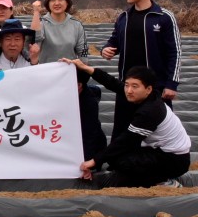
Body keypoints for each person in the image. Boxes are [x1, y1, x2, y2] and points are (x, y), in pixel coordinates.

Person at [65, 60, 190, 188]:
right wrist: (85, 68)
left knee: (122, 162)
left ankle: (163, 181)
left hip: (175, 159)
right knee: (115, 159)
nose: (129, 90)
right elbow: (113, 83)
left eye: (134, 86)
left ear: (148, 89)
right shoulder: (148, 96)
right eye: (127, 85)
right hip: (159, 150)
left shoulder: (150, 111)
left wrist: (93, 161)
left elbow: (126, 141)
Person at [100, 0, 181, 138]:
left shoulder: (164, 17)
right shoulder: (124, 17)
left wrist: (171, 84)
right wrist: (106, 49)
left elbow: (175, 52)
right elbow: (114, 41)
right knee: (123, 131)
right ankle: (118, 164)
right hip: (127, 87)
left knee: (157, 133)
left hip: (156, 88)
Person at [31, 0, 88, 64]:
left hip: (69, 70)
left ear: (67, 3)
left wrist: (84, 67)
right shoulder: (42, 23)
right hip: (46, 71)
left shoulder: (76, 25)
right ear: (48, 4)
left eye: (61, 0)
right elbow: (34, 40)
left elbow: (83, 50)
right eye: (52, 0)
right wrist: (36, 12)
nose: (57, 3)